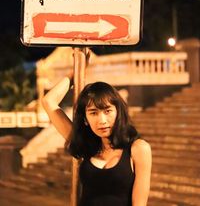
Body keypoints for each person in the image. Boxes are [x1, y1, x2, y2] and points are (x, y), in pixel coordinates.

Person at [42, 77, 152, 206]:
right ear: (85, 119)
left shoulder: (138, 148)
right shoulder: (86, 145)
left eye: (107, 111)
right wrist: (74, 75)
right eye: (93, 113)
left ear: (118, 112)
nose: (102, 120)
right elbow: (48, 101)